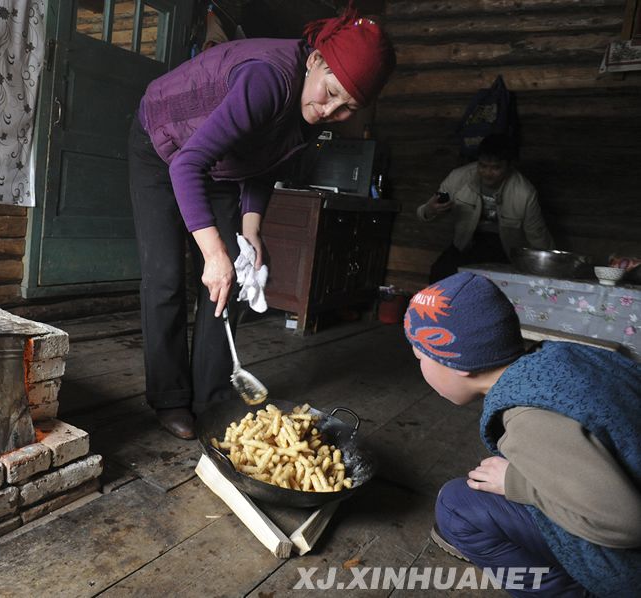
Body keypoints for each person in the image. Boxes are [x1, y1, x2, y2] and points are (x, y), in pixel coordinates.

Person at [128, 7, 396, 439]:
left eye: (349, 107)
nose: (330, 111)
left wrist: (250, 229)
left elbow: (262, 161)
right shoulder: (268, 79)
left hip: (220, 162)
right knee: (165, 275)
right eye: (330, 93)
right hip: (165, 145)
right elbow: (187, 163)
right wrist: (212, 252)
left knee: (235, 273)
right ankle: (171, 398)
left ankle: (212, 399)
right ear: (315, 61)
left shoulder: (312, 108)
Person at [404, 271, 641, 597]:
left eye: (420, 357)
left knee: (457, 505)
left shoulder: (529, 418)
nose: (419, 367)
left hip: (630, 569)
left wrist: (516, 484)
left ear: (459, 363)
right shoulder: (558, 357)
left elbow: (627, 523)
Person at [417, 134, 555, 283]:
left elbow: (537, 235)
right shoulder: (459, 177)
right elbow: (425, 212)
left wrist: (550, 269)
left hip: (504, 250)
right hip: (465, 243)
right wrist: (430, 210)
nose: (488, 173)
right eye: (483, 166)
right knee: (439, 272)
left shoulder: (524, 193)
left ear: (508, 166)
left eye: (496, 167)